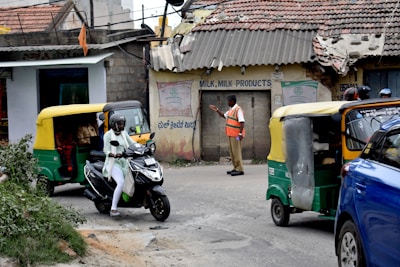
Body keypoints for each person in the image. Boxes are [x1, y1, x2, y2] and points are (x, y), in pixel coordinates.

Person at [102, 113, 136, 217]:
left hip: (125, 162)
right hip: (113, 163)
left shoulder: (124, 133)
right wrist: (112, 154)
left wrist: (142, 147)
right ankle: (113, 208)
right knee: (121, 182)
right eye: (119, 124)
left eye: (122, 124)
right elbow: (106, 149)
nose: (121, 126)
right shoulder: (108, 135)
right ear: (114, 124)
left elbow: (132, 143)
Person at [209, 95, 245, 176]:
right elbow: (224, 116)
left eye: (229, 101)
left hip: (236, 135)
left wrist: (240, 134)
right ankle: (235, 167)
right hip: (230, 134)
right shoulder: (231, 110)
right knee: (232, 152)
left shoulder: (238, 109)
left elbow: (242, 122)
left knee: (236, 152)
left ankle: (240, 169)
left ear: (232, 101)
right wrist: (217, 110)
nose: (228, 102)